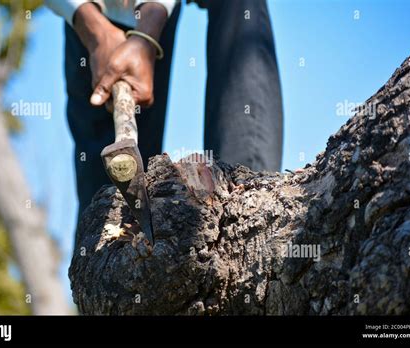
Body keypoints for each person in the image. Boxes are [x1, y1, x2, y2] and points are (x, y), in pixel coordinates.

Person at [45, 0, 283, 230]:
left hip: (156, 9)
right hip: (87, 13)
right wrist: (93, 29)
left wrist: (146, 34)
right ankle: (114, 252)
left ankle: (246, 199)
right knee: (107, 207)